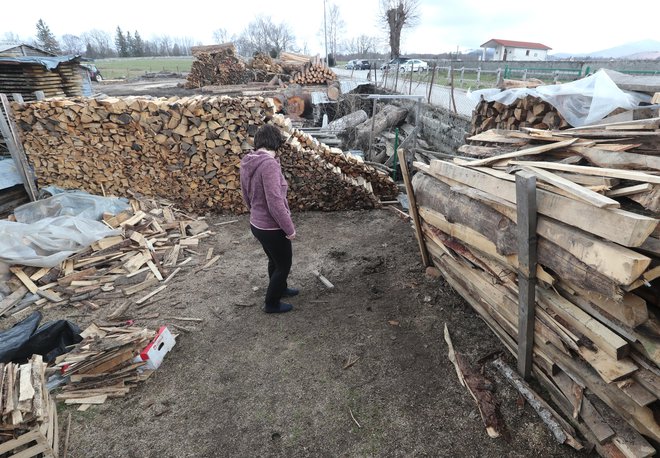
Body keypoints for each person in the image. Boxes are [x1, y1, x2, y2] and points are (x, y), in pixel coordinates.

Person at [240, 124, 298, 314]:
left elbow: (245, 193)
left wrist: (254, 212)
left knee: (274, 260)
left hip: (257, 224)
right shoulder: (269, 165)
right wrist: (289, 229)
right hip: (271, 227)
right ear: (276, 143)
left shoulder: (248, 160)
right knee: (283, 264)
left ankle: (281, 288)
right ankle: (271, 303)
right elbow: (275, 202)